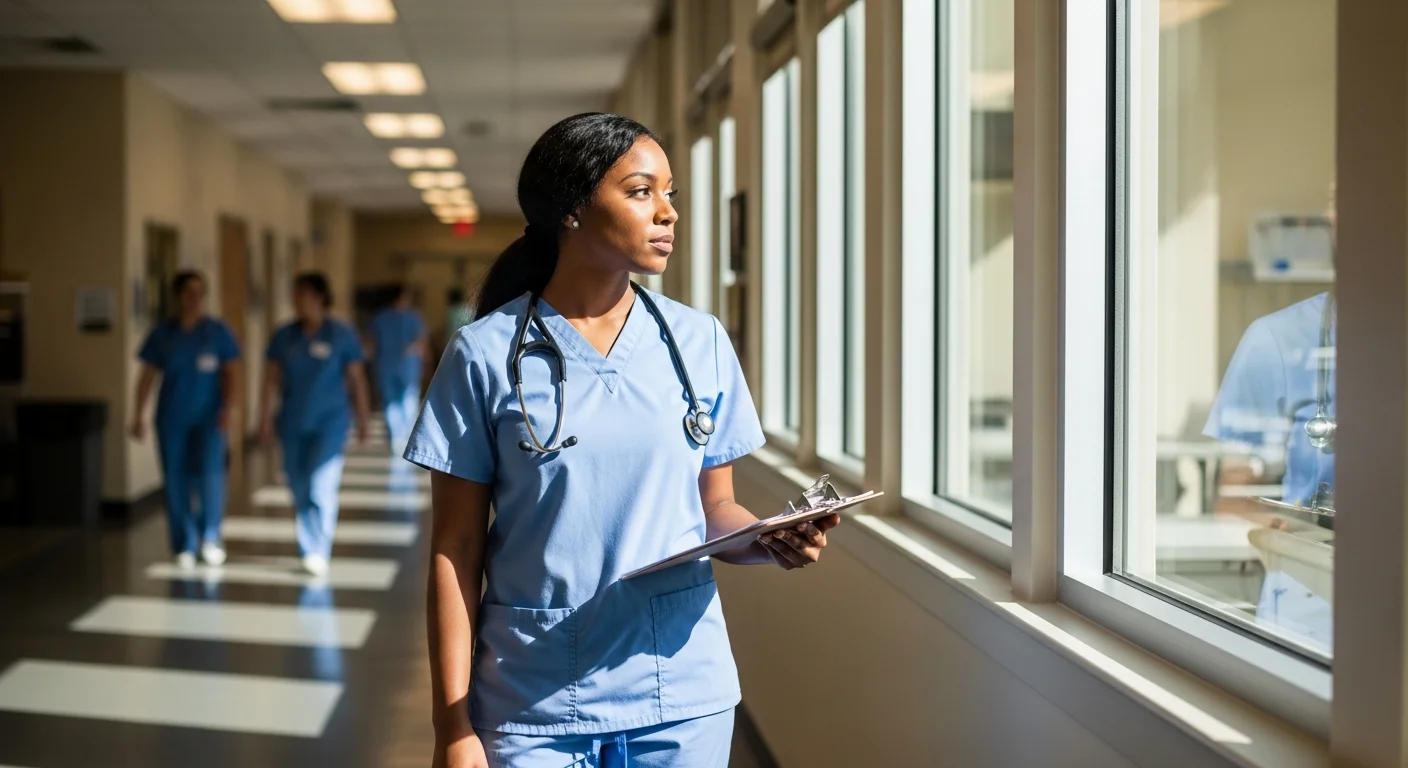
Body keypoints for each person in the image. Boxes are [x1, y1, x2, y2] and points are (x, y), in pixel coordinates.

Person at [408, 113, 840, 768]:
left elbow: (713, 508)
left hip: (680, 695)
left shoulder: (699, 343)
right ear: (574, 209)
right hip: (533, 700)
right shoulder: (484, 354)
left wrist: (766, 540)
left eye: (671, 194)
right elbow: (456, 547)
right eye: (642, 192)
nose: (667, 213)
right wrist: (452, 726)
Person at [1204, 186, 1337, 647]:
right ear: (1334, 219)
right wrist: (1287, 531)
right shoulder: (1277, 342)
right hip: (1314, 617)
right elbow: (1233, 502)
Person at [258, 272, 372, 577]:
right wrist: (264, 418)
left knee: (321, 483)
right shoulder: (284, 336)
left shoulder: (341, 334)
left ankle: (317, 549)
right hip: (292, 421)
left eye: (304, 294)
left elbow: (357, 380)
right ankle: (309, 542)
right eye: (295, 295)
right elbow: (270, 381)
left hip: (331, 421)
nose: (298, 301)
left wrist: (363, 419)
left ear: (321, 297)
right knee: (298, 485)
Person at [130, 271, 241, 569]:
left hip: (209, 418)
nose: (195, 299)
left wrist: (228, 409)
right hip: (172, 418)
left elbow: (230, 373)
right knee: (175, 480)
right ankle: (183, 543)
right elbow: (147, 376)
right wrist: (138, 414)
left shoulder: (217, 332)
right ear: (177, 297)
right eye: (188, 292)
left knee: (209, 476)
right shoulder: (163, 334)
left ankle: (211, 537)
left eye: (200, 293)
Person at [368, 285, 428, 454]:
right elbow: (421, 343)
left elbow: (371, 346)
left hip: (385, 366)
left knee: (389, 403)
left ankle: (396, 437)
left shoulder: (378, 319)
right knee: (408, 400)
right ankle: (405, 436)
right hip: (407, 366)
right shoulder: (413, 318)